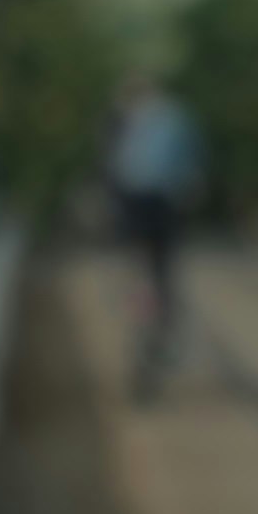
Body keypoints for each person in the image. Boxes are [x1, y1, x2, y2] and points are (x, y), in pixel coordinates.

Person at [108, 70, 204, 391]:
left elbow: (113, 166)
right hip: (165, 206)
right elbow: (191, 174)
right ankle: (161, 327)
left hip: (134, 206)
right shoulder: (178, 118)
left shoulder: (126, 119)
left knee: (139, 268)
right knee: (163, 271)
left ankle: (143, 320)